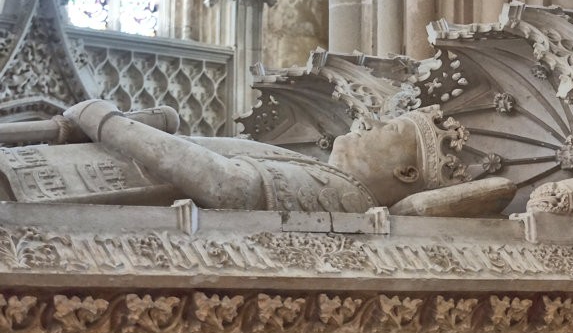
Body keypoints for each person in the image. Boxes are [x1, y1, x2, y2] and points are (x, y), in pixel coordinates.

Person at [0, 100, 514, 215]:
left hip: (56, 188)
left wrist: (105, 120)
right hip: (66, 174)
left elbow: (221, 182)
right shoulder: (328, 175)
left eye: (384, 129)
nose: (363, 125)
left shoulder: (343, 196)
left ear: (405, 172)